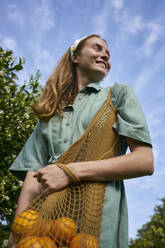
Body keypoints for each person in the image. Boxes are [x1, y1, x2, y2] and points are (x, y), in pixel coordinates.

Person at [8, 34, 154, 248]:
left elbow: (144, 161)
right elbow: (33, 176)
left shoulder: (117, 96)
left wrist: (69, 171)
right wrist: (16, 236)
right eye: (97, 48)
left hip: (97, 219)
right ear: (75, 57)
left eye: (108, 53)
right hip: (45, 226)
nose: (105, 55)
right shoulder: (49, 115)